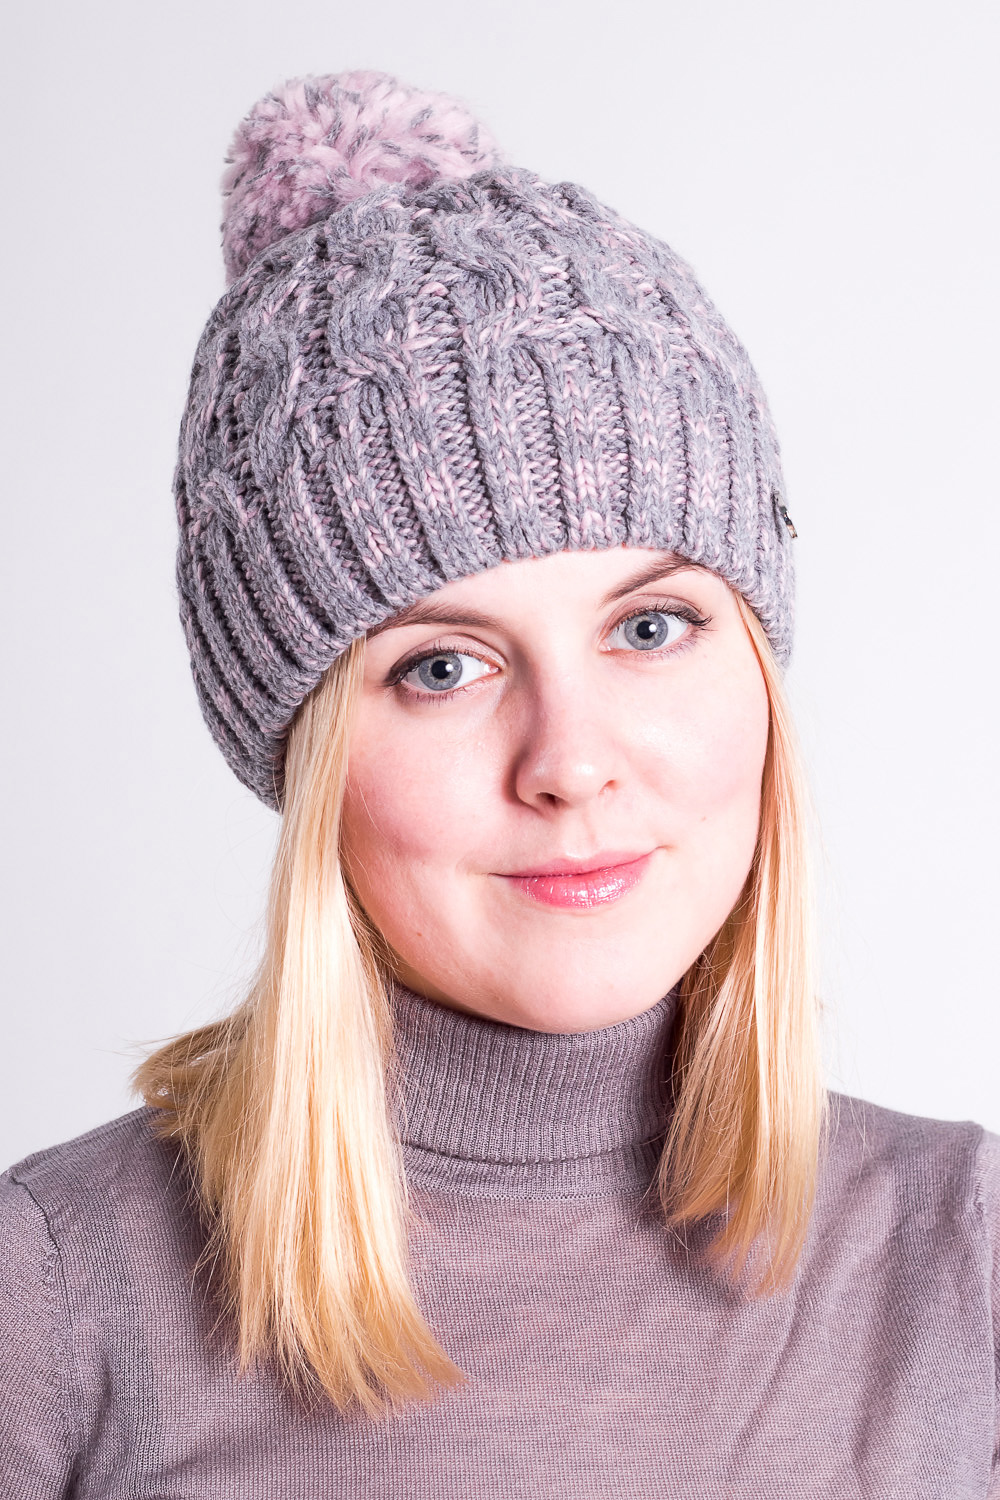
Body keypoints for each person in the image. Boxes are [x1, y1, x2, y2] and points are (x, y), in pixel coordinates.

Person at [1, 68, 997, 1499]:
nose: (571, 762)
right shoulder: (52, 1296)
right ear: (308, 754)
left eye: (650, 628)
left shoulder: (963, 1262)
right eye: (442, 666)